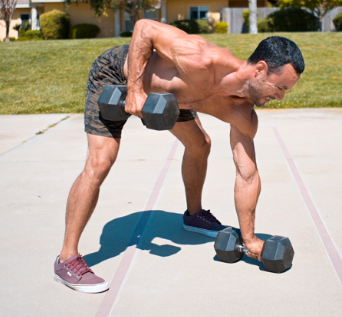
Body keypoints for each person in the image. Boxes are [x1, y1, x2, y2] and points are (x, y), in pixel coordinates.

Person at [53, 20, 305, 293]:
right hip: (117, 73)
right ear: (260, 70)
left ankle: (193, 215)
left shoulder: (242, 113)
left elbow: (247, 173)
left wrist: (250, 238)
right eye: (280, 88)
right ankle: (66, 258)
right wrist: (135, 91)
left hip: (173, 98)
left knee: (200, 144)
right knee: (100, 162)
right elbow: (144, 28)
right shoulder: (201, 58)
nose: (280, 98)